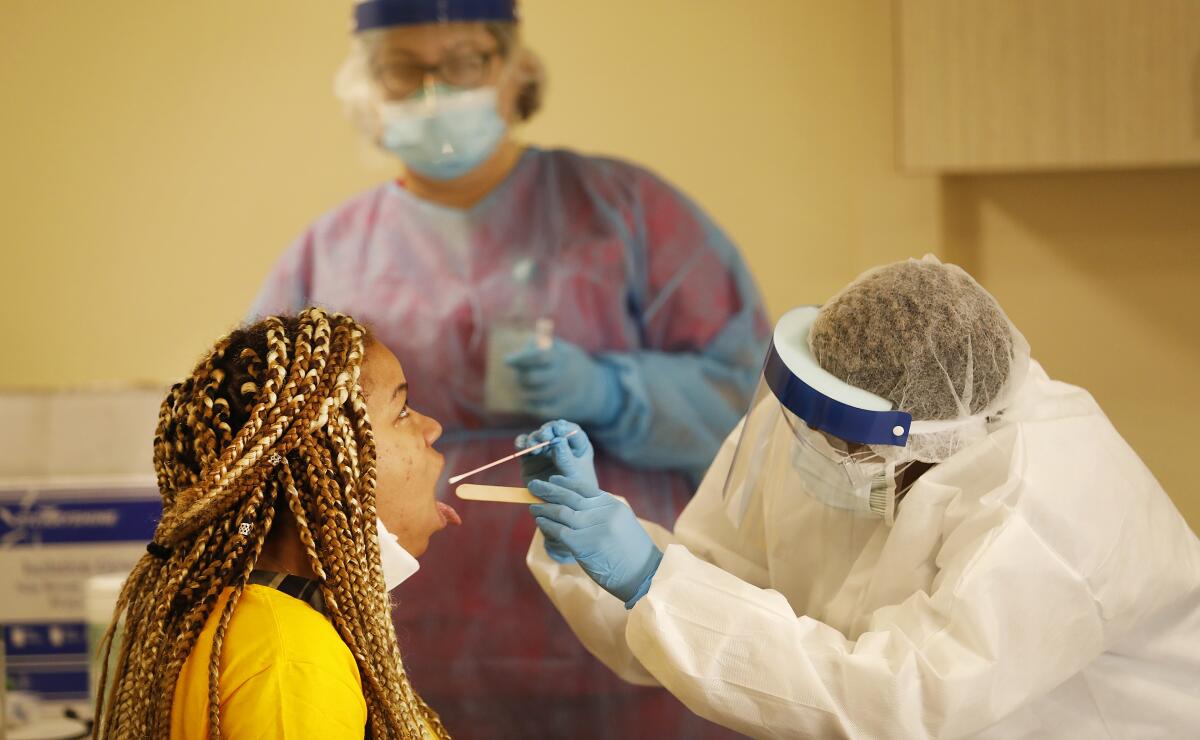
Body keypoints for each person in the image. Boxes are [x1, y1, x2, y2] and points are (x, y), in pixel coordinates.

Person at [251, 0, 767, 735]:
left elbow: (752, 408)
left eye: (463, 63)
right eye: (405, 69)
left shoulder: (622, 210)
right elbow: (258, 444)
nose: (435, 92)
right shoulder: (329, 254)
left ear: (512, 68)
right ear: (367, 87)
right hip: (408, 643)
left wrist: (615, 391)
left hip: (628, 643)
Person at [522, 258, 1200, 739]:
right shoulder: (821, 420)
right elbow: (707, 617)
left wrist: (652, 582)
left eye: (838, 441)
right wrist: (594, 558)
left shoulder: (1046, 504)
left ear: (925, 439)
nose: (808, 448)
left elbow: (899, 704)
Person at [93, 308, 459, 739]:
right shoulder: (290, 658)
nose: (432, 428)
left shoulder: (221, 620)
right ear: (324, 464)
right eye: (401, 411)